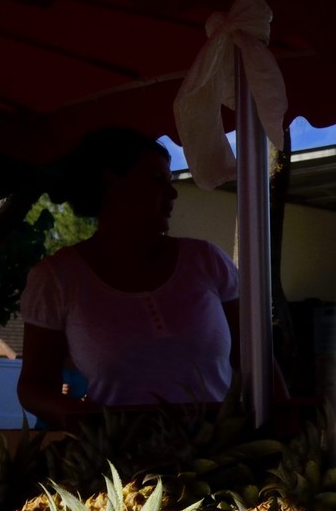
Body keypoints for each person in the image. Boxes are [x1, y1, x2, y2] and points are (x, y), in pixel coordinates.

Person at [18, 127, 240, 427]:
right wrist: (83, 419)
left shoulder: (207, 261)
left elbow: (260, 362)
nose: (172, 193)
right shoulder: (57, 278)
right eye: (157, 180)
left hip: (218, 457)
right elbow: (34, 386)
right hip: (120, 463)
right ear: (111, 183)